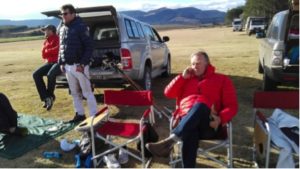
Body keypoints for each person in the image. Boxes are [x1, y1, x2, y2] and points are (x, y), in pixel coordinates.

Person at [146, 50, 238, 168]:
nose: (195, 66)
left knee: (200, 106)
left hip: (209, 123)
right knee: (190, 131)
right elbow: (168, 93)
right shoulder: (185, 78)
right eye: (193, 64)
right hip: (186, 121)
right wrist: (181, 78)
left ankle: (170, 141)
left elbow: (232, 106)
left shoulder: (222, 80)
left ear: (207, 63)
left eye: (198, 63)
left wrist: (221, 118)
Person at [58, 4, 97, 123]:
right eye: (62, 14)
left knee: (86, 92)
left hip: (79, 66)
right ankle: (80, 114)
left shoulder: (81, 26)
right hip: (68, 67)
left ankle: (94, 116)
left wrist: (82, 64)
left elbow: (89, 47)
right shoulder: (62, 28)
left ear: (73, 14)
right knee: (74, 93)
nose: (63, 16)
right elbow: (61, 47)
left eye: (65, 13)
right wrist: (61, 62)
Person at [33, 24, 60, 111]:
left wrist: (48, 51)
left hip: (58, 62)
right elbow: (43, 55)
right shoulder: (46, 41)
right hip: (48, 62)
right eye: (44, 30)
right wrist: (50, 51)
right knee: (35, 74)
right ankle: (46, 98)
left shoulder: (58, 38)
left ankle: (50, 96)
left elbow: (58, 50)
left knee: (50, 75)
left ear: (52, 31)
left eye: (47, 30)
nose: (45, 32)